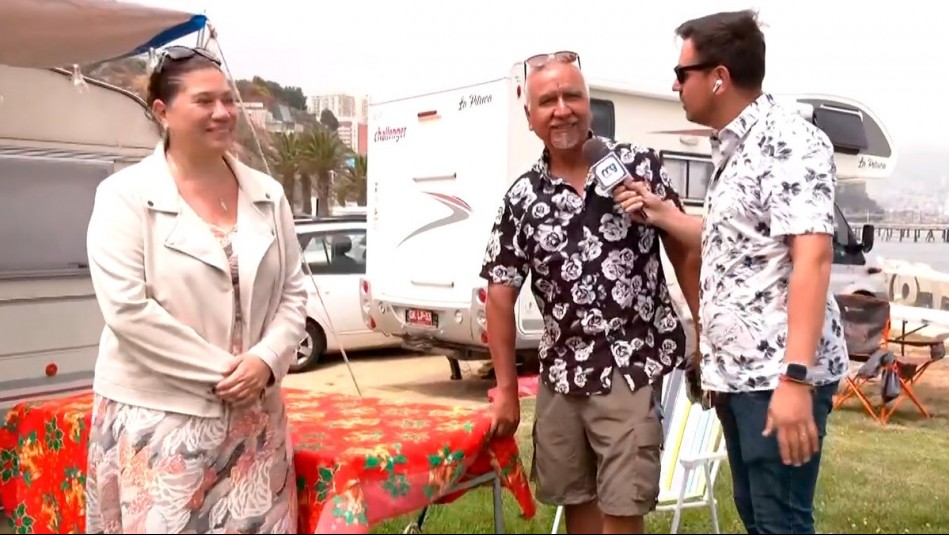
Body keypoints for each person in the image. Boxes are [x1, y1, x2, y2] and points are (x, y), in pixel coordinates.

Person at [613, 9, 849, 534]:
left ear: (718, 76)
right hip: (739, 376)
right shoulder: (735, 146)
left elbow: (812, 256)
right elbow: (737, 242)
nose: (675, 85)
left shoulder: (788, 141)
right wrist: (661, 213)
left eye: (682, 74)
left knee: (780, 521)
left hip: (776, 377)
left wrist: (794, 380)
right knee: (758, 517)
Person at [83, 45, 307, 534]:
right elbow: (127, 310)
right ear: (162, 112)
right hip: (162, 426)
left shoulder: (269, 196)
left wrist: (265, 361)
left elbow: (293, 295)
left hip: (257, 425)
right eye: (205, 101)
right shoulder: (123, 197)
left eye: (228, 99)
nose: (223, 112)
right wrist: (227, 375)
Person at [480, 51, 701, 535]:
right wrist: (505, 394)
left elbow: (685, 249)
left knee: (623, 508)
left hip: (630, 367)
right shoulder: (521, 199)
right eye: (548, 101)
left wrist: (703, 328)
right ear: (530, 117)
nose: (562, 109)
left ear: (589, 103)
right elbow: (499, 294)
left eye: (572, 96)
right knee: (577, 505)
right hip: (561, 375)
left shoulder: (638, 168)